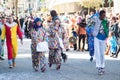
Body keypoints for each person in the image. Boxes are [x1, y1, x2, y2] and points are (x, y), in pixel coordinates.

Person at [93, 10, 109, 75]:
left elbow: (107, 29)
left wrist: (107, 35)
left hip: (103, 38)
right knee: (97, 52)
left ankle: (102, 66)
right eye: (103, 15)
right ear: (100, 15)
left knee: (102, 53)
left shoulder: (106, 21)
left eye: (104, 15)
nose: (104, 17)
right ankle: (98, 67)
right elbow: (89, 24)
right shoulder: (95, 20)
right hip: (96, 37)